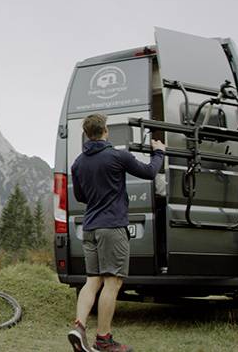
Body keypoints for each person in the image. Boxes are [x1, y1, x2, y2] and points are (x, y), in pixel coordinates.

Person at [67, 114, 166, 352]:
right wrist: (159, 152)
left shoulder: (78, 163)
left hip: (89, 227)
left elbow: (81, 197)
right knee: (113, 282)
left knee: (92, 280)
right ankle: (104, 340)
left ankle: (79, 327)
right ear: (105, 131)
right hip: (112, 227)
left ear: (86, 134)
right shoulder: (117, 156)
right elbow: (150, 172)